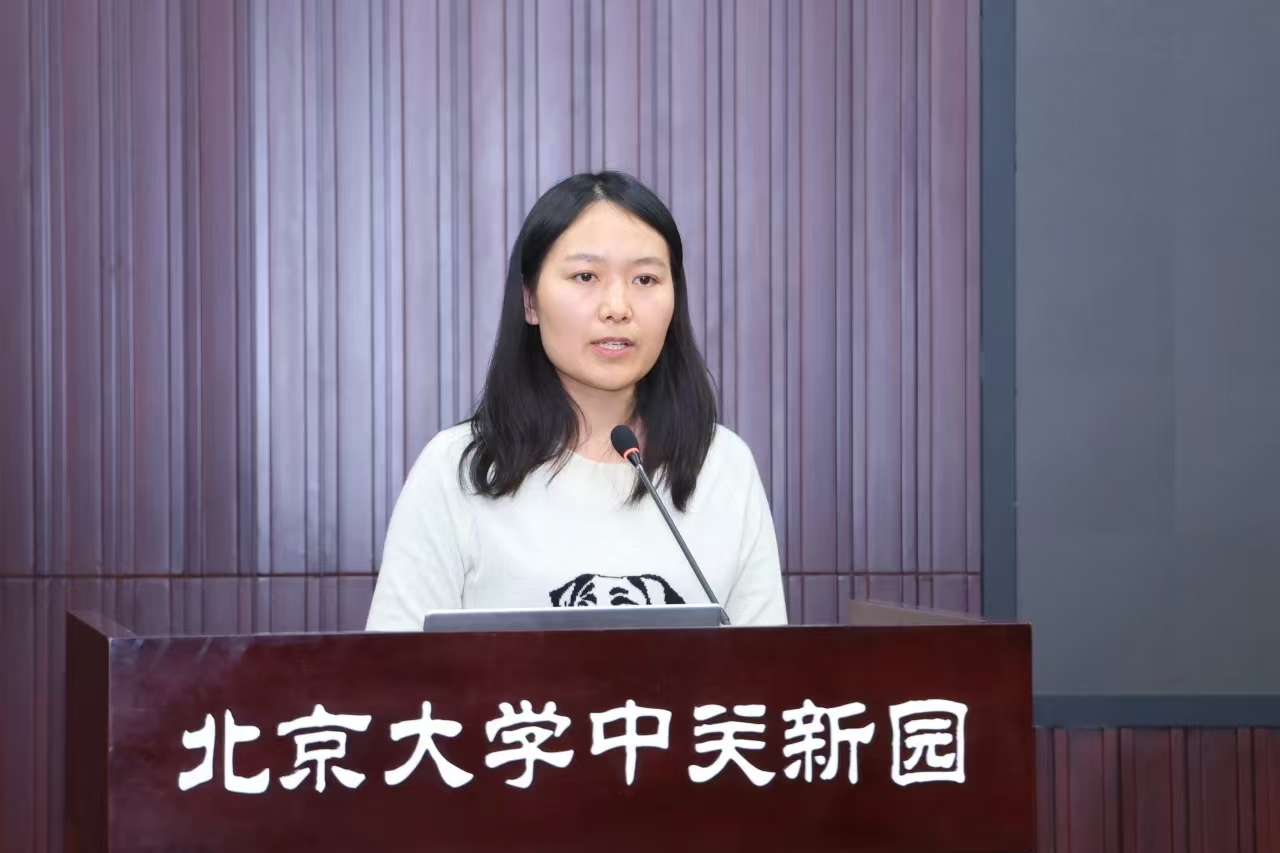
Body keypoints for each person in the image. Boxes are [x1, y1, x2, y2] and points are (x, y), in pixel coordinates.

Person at [365, 171, 787, 630]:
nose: (617, 307)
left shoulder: (723, 465)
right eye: (585, 276)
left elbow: (768, 669)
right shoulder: (458, 469)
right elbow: (393, 668)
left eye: (645, 279)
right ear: (530, 301)